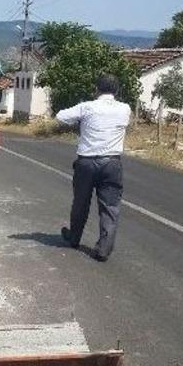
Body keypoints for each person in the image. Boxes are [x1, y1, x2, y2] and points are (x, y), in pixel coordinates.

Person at [56, 74, 131, 262]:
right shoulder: (125, 109)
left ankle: (74, 238)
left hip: (87, 162)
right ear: (116, 91)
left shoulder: (87, 107)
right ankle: (103, 249)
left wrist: (80, 121)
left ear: (97, 89)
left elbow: (61, 116)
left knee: (81, 202)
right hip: (112, 163)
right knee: (110, 207)